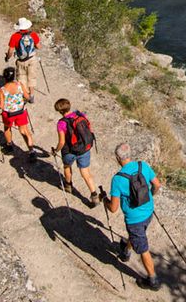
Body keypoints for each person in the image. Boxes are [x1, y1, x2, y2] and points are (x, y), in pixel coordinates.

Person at [101, 142, 163, 291]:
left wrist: (105, 200)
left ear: (117, 158)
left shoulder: (118, 179)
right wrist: (150, 196)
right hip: (148, 212)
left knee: (143, 249)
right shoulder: (143, 166)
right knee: (137, 235)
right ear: (130, 154)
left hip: (134, 219)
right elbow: (157, 185)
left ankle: (153, 280)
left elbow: (113, 208)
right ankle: (126, 251)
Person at [53, 98, 99, 207]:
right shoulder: (80, 115)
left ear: (60, 111)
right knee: (86, 173)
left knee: (67, 166)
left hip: (69, 151)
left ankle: (68, 185)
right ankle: (94, 195)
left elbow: (62, 142)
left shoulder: (61, 123)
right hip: (84, 148)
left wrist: (55, 150)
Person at [0, 67, 36, 157]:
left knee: (7, 128)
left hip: (9, 114)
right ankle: (32, 151)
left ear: (4, 77)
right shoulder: (19, 84)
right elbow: (28, 97)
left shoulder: (2, 90)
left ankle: (9, 145)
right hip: (20, 111)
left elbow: (1, 105)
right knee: (24, 131)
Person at [5, 17, 39, 103]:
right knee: (31, 77)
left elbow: (11, 50)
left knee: (21, 78)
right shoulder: (33, 34)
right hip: (32, 59)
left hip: (21, 60)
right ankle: (31, 95)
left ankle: (25, 95)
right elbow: (39, 46)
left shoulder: (15, 36)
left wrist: (7, 57)